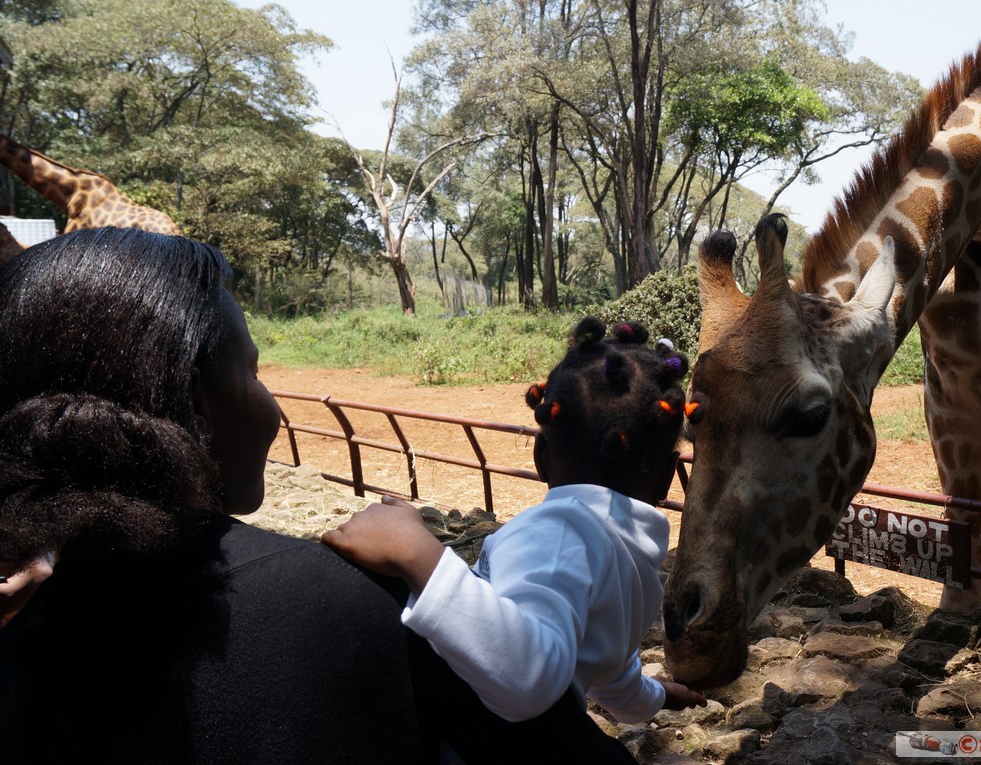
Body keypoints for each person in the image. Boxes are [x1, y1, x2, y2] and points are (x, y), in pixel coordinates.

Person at [0, 227, 421, 764]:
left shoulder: (27, 622)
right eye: (252, 371)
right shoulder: (340, 602)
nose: (271, 405)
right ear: (199, 406)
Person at [323, 317, 708, 762]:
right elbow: (614, 679)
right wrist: (657, 697)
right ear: (666, 475)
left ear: (541, 457)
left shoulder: (560, 532)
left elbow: (528, 677)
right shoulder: (637, 574)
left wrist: (417, 553)